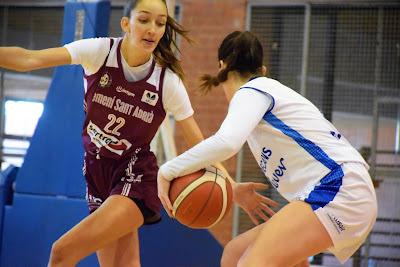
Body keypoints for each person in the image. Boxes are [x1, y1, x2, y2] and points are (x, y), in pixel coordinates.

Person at [0, 2, 269, 266]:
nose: (152, 28)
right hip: (96, 172)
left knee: (61, 252)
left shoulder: (168, 83)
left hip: (135, 175)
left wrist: (231, 187)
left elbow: (198, 143)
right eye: (144, 20)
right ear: (126, 23)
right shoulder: (99, 52)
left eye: (160, 23)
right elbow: (29, 58)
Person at [157, 30, 378, 267]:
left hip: (339, 188)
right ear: (262, 68)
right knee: (234, 255)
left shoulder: (252, 91)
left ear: (223, 66)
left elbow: (226, 142)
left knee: (252, 264)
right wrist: (234, 189)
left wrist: (168, 170)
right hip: (333, 190)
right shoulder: (265, 94)